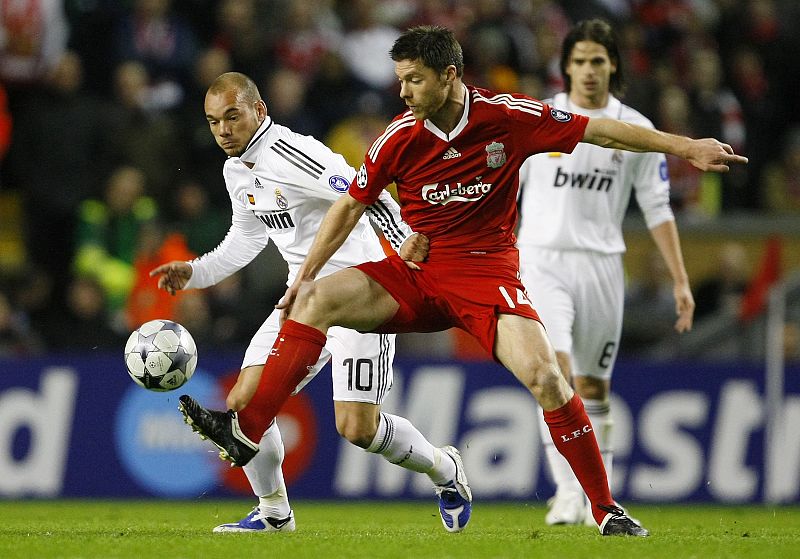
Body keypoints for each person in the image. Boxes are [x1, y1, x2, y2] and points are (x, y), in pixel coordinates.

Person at [177, 26, 746, 537]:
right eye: (399, 80)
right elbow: (351, 204)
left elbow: (602, 131)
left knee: (548, 378)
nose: (402, 93)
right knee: (318, 297)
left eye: (414, 80)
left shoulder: (508, 118)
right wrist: (303, 275)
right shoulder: (399, 137)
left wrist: (685, 146)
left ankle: (605, 509)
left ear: (449, 76)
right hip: (417, 273)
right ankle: (247, 430)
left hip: (485, 274)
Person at [151, 72, 469, 534]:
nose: (222, 130)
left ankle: (444, 468)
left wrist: (405, 252)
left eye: (232, 116)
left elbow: (369, 193)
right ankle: (274, 512)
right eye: (213, 121)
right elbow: (247, 237)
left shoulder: (292, 153)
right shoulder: (236, 170)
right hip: (302, 301)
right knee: (244, 401)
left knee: (358, 428)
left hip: (364, 296)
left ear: (259, 111)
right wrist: (196, 272)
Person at [516, 18, 695, 527]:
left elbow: (658, 207)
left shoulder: (635, 129)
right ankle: (569, 494)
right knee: (554, 372)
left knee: (593, 390)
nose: (589, 70)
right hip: (541, 259)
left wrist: (680, 278)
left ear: (612, 64)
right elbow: (508, 183)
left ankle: (598, 493)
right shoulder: (542, 117)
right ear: (565, 67)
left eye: (598, 60)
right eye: (579, 61)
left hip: (601, 266)